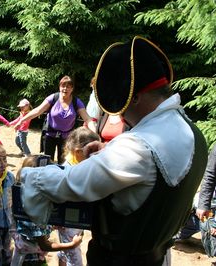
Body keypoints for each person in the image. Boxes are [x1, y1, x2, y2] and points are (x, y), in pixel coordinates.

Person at [19, 36, 208, 266]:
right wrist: (109, 149)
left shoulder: (139, 146)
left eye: (122, 106)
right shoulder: (192, 132)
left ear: (136, 98)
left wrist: (28, 175)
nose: (121, 115)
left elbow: (70, 181)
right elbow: (152, 171)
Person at [11, 155, 84, 266]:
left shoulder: (28, 197)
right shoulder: (34, 212)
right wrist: (72, 245)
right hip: (30, 259)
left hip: (31, 253)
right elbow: (44, 245)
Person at [14, 75, 95, 163]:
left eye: (68, 87)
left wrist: (95, 133)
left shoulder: (76, 102)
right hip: (49, 135)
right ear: (59, 87)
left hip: (66, 138)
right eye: (63, 86)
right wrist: (22, 120)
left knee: (64, 162)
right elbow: (37, 110)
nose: (65, 89)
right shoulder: (53, 98)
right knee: (47, 161)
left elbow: (88, 119)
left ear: (72, 89)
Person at [57, 127, 100, 266]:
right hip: (68, 221)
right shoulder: (68, 171)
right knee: (74, 256)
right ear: (78, 152)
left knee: (65, 250)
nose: (97, 155)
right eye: (93, 151)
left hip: (75, 219)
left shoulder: (79, 163)